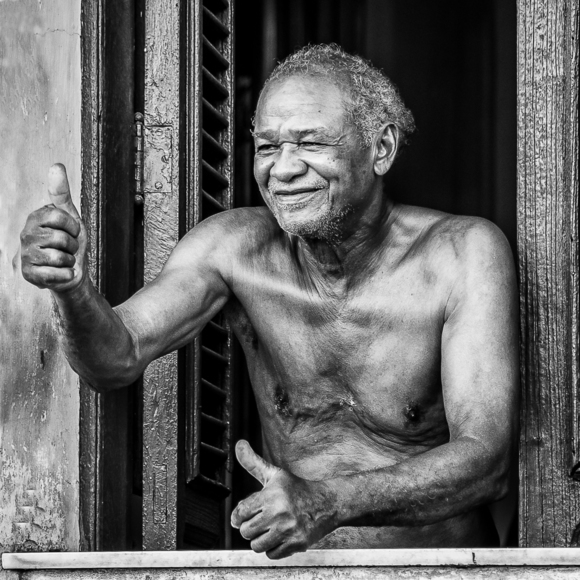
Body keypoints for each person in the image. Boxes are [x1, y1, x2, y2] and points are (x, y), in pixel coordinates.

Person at [20, 44, 519, 558]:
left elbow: (487, 462)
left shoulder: (463, 253)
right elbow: (116, 356)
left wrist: (325, 503)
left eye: (310, 142)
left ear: (382, 148)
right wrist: (72, 288)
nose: (282, 170)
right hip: (294, 572)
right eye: (266, 146)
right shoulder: (234, 249)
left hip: (447, 569)